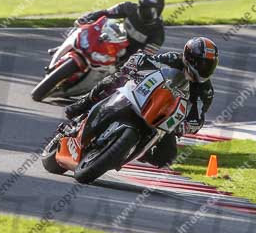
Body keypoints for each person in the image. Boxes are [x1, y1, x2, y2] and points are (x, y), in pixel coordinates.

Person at [65, 36, 218, 166]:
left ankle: (134, 151)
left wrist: (184, 127)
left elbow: (198, 117)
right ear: (189, 57)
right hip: (145, 94)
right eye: (202, 63)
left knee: (167, 158)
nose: (205, 68)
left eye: (210, 65)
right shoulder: (173, 59)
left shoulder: (205, 91)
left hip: (165, 118)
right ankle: (83, 104)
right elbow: (147, 60)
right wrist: (131, 68)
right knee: (113, 80)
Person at [74, 0, 165, 58]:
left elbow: (146, 56)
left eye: (153, 11)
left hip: (126, 57)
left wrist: (130, 63)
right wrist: (87, 18)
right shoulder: (128, 7)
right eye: (146, 9)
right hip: (112, 38)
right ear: (140, 5)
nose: (148, 14)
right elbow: (106, 12)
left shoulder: (158, 34)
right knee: (84, 34)